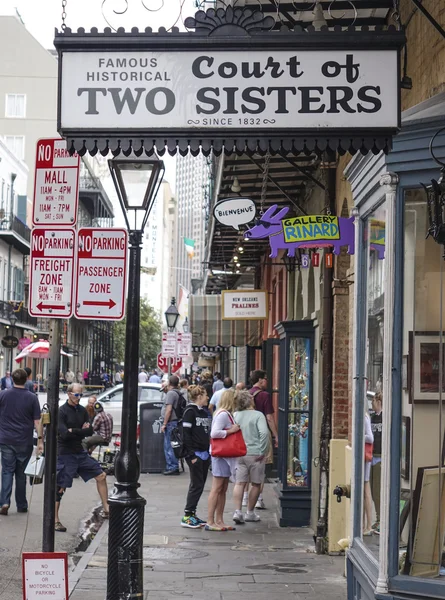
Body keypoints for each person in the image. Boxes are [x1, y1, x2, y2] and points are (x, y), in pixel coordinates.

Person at [55, 383, 109, 532]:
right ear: (69, 394)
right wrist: (79, 431)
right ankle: (55, 519)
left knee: (101, 475)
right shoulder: (62, 412)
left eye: (81, 395)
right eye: (76, 395)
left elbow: (90, 431)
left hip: (79, 450)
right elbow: (64, 434)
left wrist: (75, 431)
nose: (79, 398)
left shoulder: (82, 411)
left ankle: (107, 508)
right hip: (65, 452)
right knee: (60, 487)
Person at [0, 369, 43, 515]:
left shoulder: (3, 395)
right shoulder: (32, 398)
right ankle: (22, 504)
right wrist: (41, 441)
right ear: (27, 380)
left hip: (6, 439)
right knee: (21, 473)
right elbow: (37, 422)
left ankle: (4, 502)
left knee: (7, 471)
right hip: (24, 440)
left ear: (12, 379)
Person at [232, 390, 269, 524]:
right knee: (256, 483)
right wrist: (263, 450)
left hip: (239, 453)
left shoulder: (235, 415)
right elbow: (264, 433)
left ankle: (237, 511)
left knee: (239, 483)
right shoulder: (258, 415)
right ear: (249, 401)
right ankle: (250, 512)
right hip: (255, 453)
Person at [206, 389, 240, 531]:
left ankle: (219, 519)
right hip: (220, 455)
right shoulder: (223, 415)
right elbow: (214, 433)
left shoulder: (225, 414)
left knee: (223, 488)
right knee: (217, 488)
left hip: (225, 456)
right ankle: (210, 521)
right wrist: (231, 431)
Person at [247, 369, 279, 509]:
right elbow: (270, 417)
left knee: (246, 467)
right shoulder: (265, 395)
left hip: (247, 434)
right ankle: (258, 498)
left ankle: (244, 498)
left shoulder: (246, 394)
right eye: (265, 378)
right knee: (261, 468)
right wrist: (276, 435)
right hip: (261, 434)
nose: (267, 381)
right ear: (260, 380)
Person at [181, 385, 211, 528]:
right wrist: (191, 455)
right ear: (199, 396)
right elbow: (185, 434)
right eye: (205, 395)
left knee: (199, 485)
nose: (208, 398)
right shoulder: (190, 412)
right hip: (196, 454)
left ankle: (192, 514)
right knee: (196, 485)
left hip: (204, 454)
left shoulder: (203, 412)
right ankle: (187, 515)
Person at [160, 375, 183, 475]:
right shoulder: (177, 392)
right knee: (172, 444)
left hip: (170, 423)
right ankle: (173, 466)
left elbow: (169, 409)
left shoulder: (171, 393)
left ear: (169, 383)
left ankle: (172, 467)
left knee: (169, 445)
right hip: (175, 422)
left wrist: (164, 423)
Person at [370, 392, 382, 533]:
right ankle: (378, 518)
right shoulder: (373, 417)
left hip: (380, 456)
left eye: (373, 400)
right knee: (373, 490)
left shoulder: (385, 417)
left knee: (377, 490)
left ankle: (380, 519)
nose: (372, 403)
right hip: (371, 456)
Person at [363, 406, 374, 536]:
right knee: (365, 490)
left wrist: (358, 434)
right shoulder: (365, 416)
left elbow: (370, 438)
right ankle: (365, 525)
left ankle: (369, 525)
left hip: (365, 459)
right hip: (364, 458)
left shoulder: (364, 417)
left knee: (366, 490)